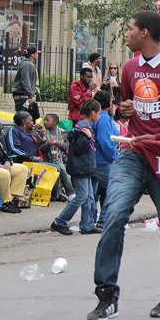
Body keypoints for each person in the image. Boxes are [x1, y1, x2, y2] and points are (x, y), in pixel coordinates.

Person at [88, 10, 160, 320]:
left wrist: (159, 137)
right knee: (113, 215)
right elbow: (126, 110)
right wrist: (123, 111)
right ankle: (106, 296)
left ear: (145, 33)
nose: (125, 34)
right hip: (132, 153)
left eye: (129, 29)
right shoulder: (129, 68)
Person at [50, 99, 101, 236]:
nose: (99, 116)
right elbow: (79, 149)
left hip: (85, 168)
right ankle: (60, 221)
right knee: (82, 196)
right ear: (92, 112)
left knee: (89, 197)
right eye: (98, 113)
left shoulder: (84, 127)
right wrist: (88, 138)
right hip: (80, 168)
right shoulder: (82, 129)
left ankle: (87, 225)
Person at [5, 111, 63, 201]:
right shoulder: (14, 131)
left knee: (56, 166)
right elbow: (13, 149)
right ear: (24, 122)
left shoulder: (29, 133)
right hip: (25, 162)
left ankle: (53, 194)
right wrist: (32, 157)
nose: (33, 123)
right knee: (55, 168)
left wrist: (39, 132)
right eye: (31, 120)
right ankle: (56, 195)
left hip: (35, 161)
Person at [0, 93, 28, 213]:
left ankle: (12, 200)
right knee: (3, 174)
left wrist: (6, 161)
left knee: (21, 169)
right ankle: (3, 202)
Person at [91, 91, 118, 230]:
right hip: (102, 160)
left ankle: (90, 221)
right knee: (113, 189)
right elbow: (105, 141)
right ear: (109, 104)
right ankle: (103, 220)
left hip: (93, 158)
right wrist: (113, 157)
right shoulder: (103, 118)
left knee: (93, 193)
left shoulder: (93, 116)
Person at [41, 113, 74, 200]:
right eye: (45, 120)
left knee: (63, 171)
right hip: (47, 159)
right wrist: (47, 145)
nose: (45, 122)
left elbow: (66, 146)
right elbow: (41, 148)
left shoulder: (62, 132)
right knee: (57, 171)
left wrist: (60, 144)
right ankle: (60, 193)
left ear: (54, 122)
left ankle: (70, 193)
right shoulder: (43, 133)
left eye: (47, 120)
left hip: (59, 158)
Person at [11, 45, 40, 114]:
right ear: (32, 55)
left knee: (27, 116)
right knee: (22, 116)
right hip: (22, 95)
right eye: (36, 53)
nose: (37, 55)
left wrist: (33, 88)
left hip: (24, 95)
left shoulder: (29, 64)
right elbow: (26, 81)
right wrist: (30, 95)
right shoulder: (26, 65)